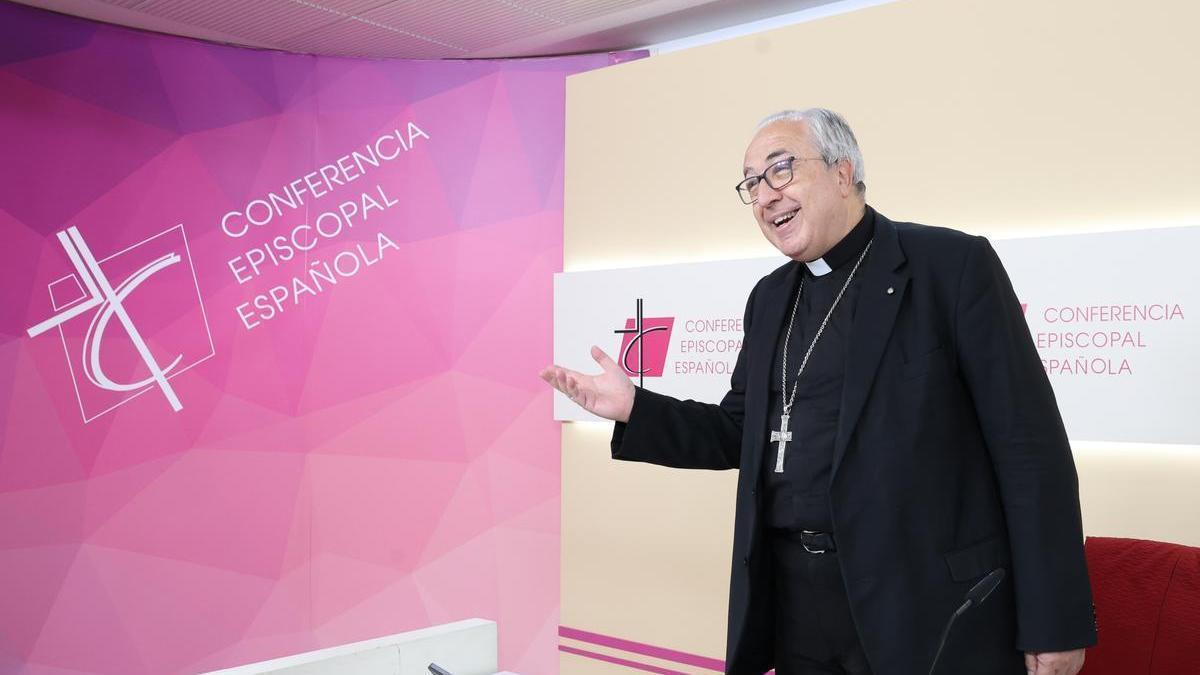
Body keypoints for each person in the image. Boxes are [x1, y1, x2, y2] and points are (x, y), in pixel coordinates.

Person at [540, 109, 1096, 675]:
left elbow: (1031, 452)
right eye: (752, 182)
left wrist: (1055, 623)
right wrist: (635, 407)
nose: (764, 195)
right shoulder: (770, 297)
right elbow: (741, 430)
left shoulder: (949, 267)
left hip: (922, 603)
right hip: (797, 605)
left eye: (780, 169)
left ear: (841, 172)